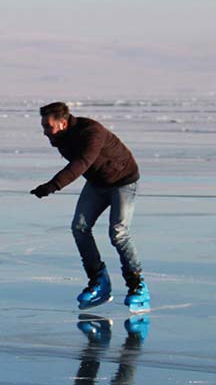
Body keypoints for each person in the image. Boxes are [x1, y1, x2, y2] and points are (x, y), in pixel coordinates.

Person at [31, 102, 149, 311]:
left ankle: (137, 285)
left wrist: (52, 186)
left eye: (48, 126)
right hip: (98, 183)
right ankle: (99, 281)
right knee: (79, 227)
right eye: (43, 126)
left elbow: (81, 163)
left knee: (118, 233)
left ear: (63, 123)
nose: (44, 132)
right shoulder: (61, 139)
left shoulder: (92, 132)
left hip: (123, 181)